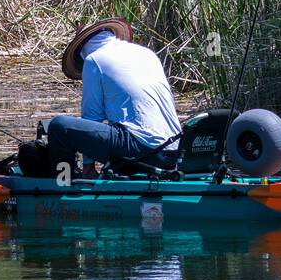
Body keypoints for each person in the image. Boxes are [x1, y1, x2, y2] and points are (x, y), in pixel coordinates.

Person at [47, 18, 181, 179]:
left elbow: (92, 117)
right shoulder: (147, 54)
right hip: (176, 151)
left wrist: (88, 168)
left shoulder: (94, 60)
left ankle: (64, 184)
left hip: (142, 149)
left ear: (82, 50)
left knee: (59, 127)